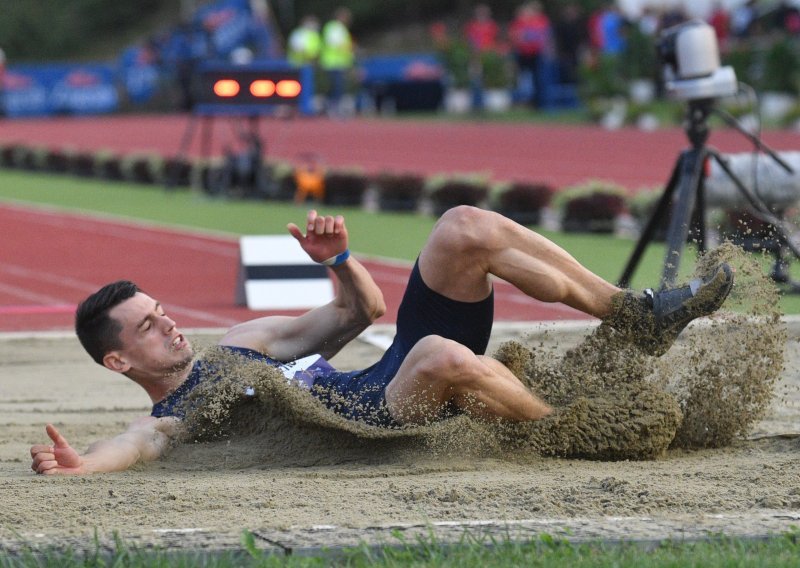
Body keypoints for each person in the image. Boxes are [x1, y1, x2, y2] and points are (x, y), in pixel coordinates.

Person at [29, 207, 734, 475]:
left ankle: (631, 312)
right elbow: (136, 446)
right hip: (363, 421)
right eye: (148, 326)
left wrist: (336, 260)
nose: (170, 322)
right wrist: (85, 467)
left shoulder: (239, 341)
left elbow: (363, 309)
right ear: (118, 360)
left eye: (162, 309)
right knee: (441, 357)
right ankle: (578, 431)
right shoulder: (172, 415)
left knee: (463, 228)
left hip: (386, 372)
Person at [320, 7, 355, 117]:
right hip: (333, 63)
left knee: (338, 87)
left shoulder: (341, 29)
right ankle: (333, 108)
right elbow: (335, 44)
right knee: (336, 87)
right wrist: (349, 48)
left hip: (339, 63)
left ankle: (332, 107)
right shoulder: (334, 28)